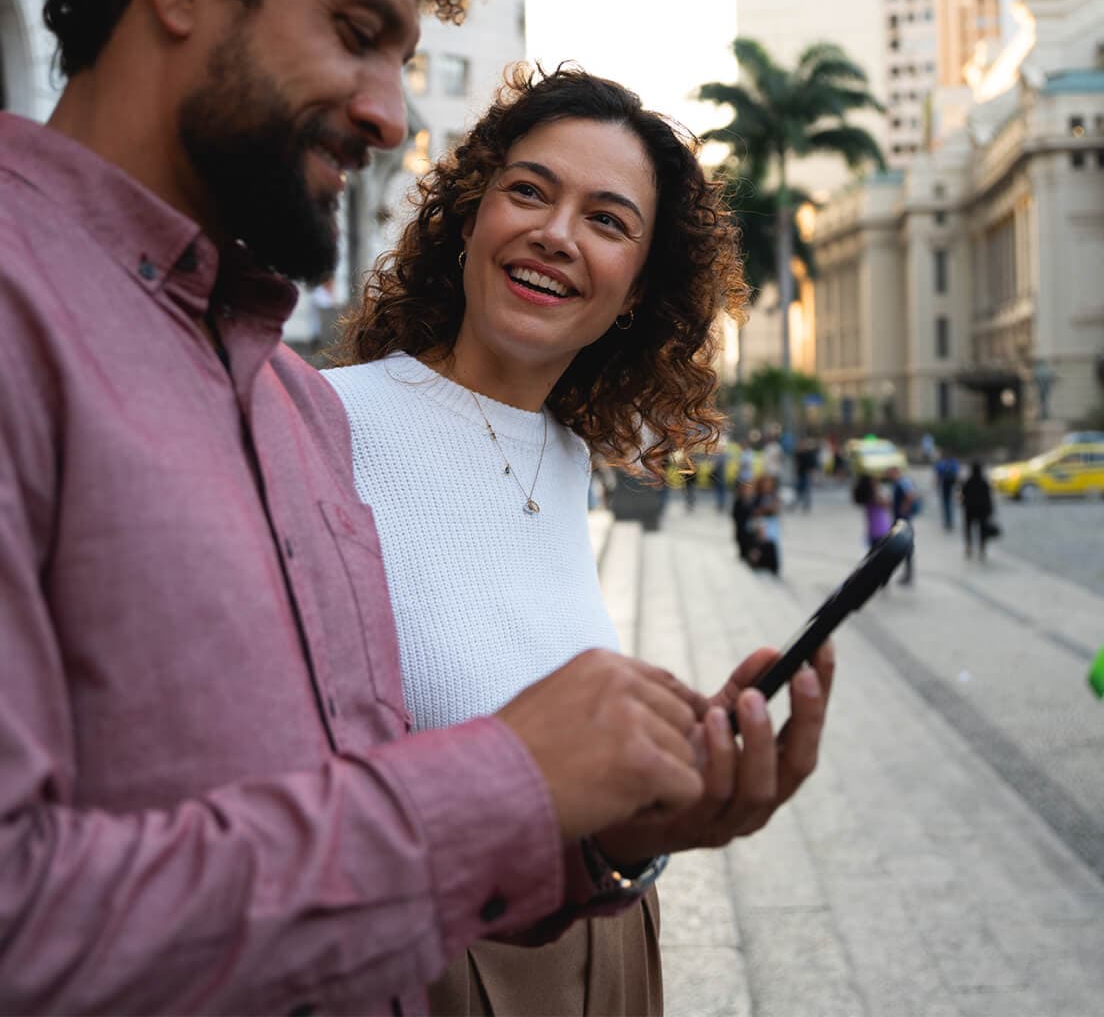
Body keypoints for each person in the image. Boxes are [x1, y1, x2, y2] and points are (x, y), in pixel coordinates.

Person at [0, 0, 831, 1012]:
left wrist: (605, 831)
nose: (392, 117)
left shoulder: (274, 401)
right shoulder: (36, 316)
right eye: (357, 31)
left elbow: (340, 839)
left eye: (404, 55)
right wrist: (510, 775)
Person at [324, 66, 832, 1014]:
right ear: (470, 215)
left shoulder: (565, 457)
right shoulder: (321, 422)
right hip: (431, 959)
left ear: (637, 290)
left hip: (610, 936)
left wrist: (665, 787)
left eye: (607, 220)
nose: (556, 235)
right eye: (529, 191)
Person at [886, 465, 917, 583]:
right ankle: (906, 573)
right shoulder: (898, 483)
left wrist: (904, 509)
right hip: (900, 518)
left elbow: (910, 496)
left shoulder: (902, 482)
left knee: (904, 546)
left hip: (902, 519)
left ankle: (908, 574)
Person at [961, 461, 995, 560]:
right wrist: (990, 510)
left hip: (969, 509)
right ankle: (982, 548)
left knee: (968, 528)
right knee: (982, 529)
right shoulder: (984, 482)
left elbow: (962, 495)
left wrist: (964, 504)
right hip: (982, 510)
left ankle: (969, 546)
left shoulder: (968, 481)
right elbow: (988, 498)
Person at [933, 448, 960, 531]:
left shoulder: (944, 463)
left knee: (947, 503)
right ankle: (948, 521)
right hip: (948, 483)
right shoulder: (952, 462)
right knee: (947, 503)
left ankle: (949, 521)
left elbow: (938, 474)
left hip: (947, 483)